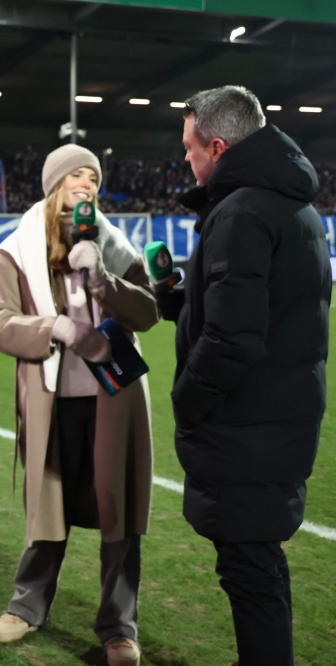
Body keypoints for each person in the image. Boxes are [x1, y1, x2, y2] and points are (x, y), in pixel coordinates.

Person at [0, 144, 158, 666]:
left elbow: (147, 313)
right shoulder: (15, 249)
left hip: (114, 396)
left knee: (119, 510)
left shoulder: (116, 244)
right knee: (48, 506)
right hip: (52, 400)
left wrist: (104, 277)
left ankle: (119, 627)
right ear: (55, 184)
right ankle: (26, 606)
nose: (87, 185)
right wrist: (51, 327)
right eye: (76, 175)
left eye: (94, 178)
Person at [166, 86, 329, 666]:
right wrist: (180, 301)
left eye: (189, 147)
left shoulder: (242, 211)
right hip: (278, 418)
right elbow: (257, 301)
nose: (185, 159)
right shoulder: (291, 203)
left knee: (251, 573)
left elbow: (232, 338)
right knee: (258, 570)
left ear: (216, 144)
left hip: (248, 428)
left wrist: (187, 400)